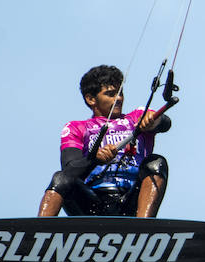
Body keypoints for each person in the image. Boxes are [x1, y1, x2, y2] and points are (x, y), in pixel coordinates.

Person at [37, 64, 173, 218]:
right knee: (60, 177)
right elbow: (69, 169)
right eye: (111, 94)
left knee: (156, 162)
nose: (119, 98)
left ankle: (143, 227)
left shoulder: (136, 116)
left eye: (120, 93)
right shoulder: (77, 127)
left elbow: (165, 123)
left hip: (132, 200)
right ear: (91, 99)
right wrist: (95, 159)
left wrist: (153, 121)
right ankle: (38, 232)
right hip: (92, 204)